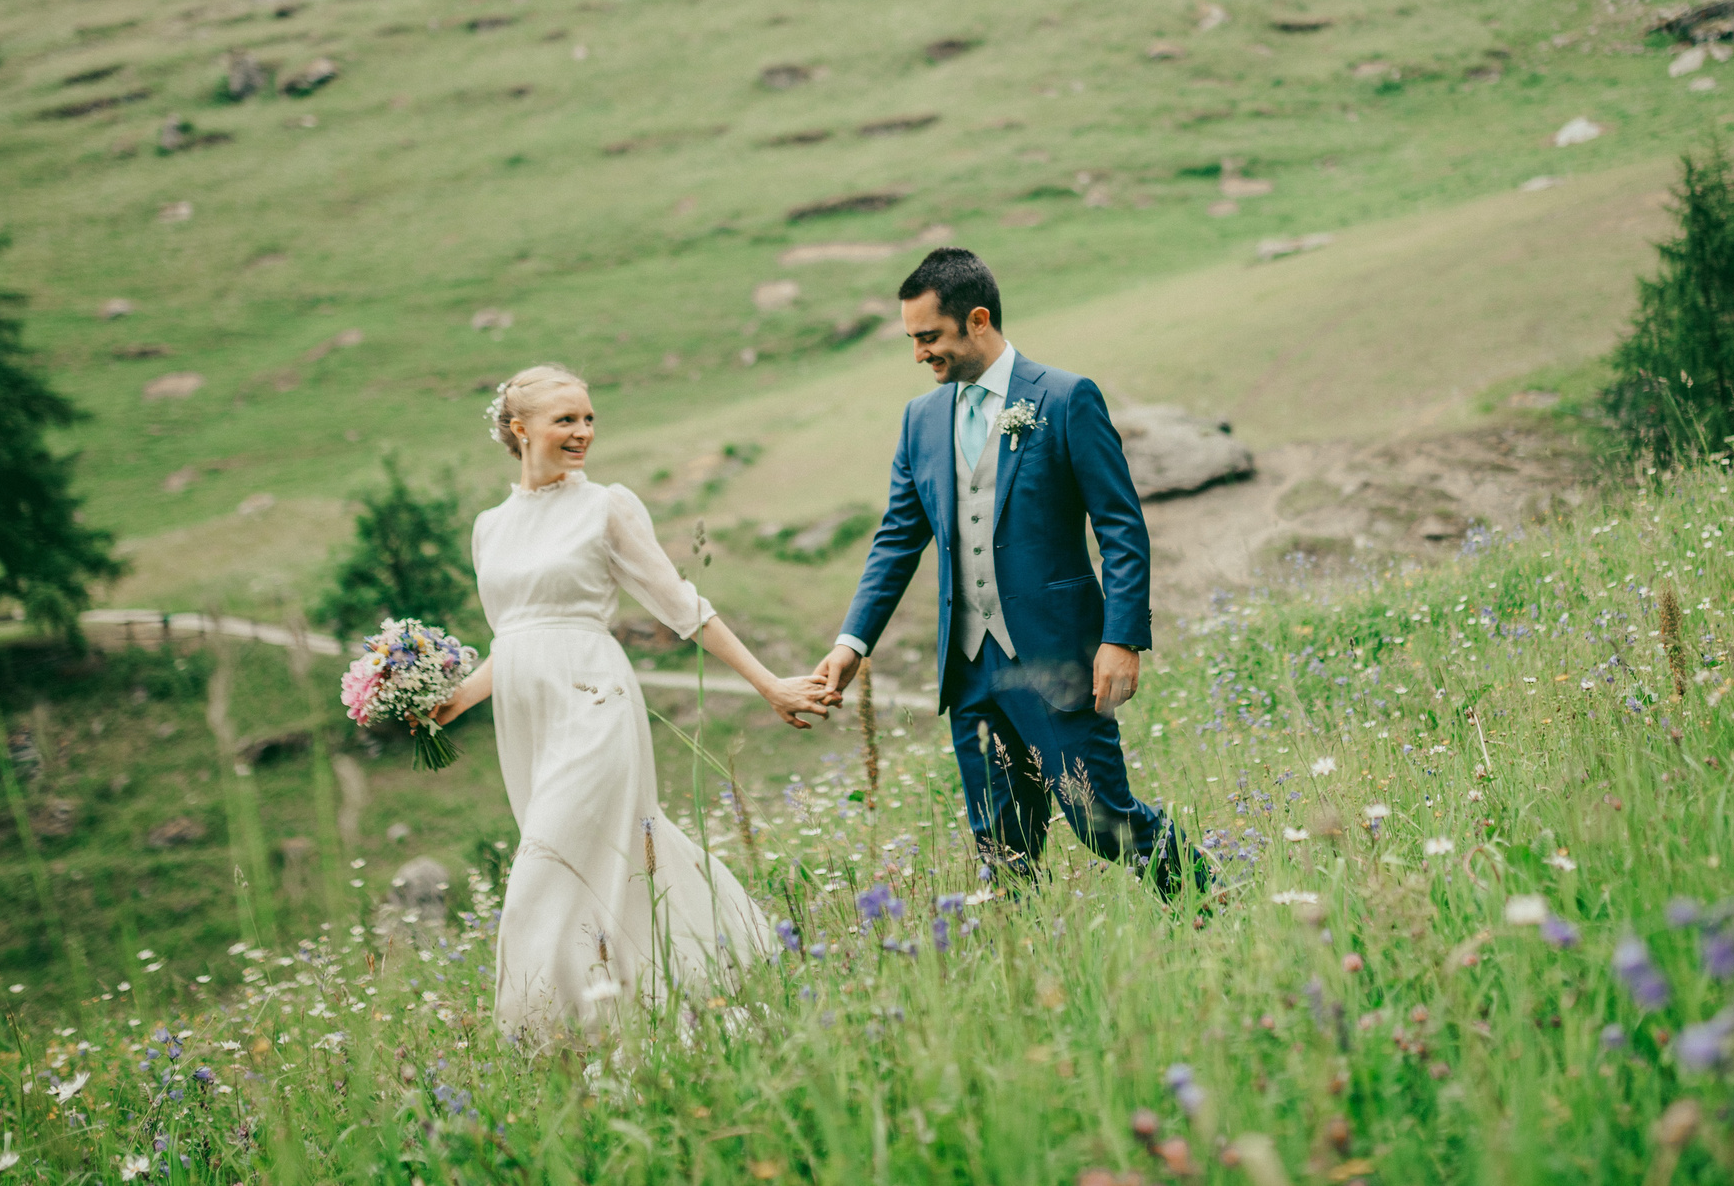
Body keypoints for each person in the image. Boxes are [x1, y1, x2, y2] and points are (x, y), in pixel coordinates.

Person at [431, 364, 831, 1033]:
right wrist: (449, 701)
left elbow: (683, 606)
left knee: (542, 868)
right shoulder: (488, 527)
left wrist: (770, 683)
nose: (584, 431)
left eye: (589, 418)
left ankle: (537, 1032)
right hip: (526, 721)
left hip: (594, 704)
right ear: (519, 427)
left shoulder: (604, 506)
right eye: (567, 419)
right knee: (596, 862)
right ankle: (657, 1001)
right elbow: (516, 638)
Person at [810, 248, 1208, 903]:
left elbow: (1121, 526)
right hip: (968, 672)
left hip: (1057, 658)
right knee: (1003, 850)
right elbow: (897, 539)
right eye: (911, 339)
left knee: (1102, 820)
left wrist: (1122, 637)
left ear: (978, 320)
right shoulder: (921, 421)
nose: (918, 354)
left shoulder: (1065, 396)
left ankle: (1207, 902)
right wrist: (852, 643)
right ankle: (1027, 974)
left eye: (928, 337)